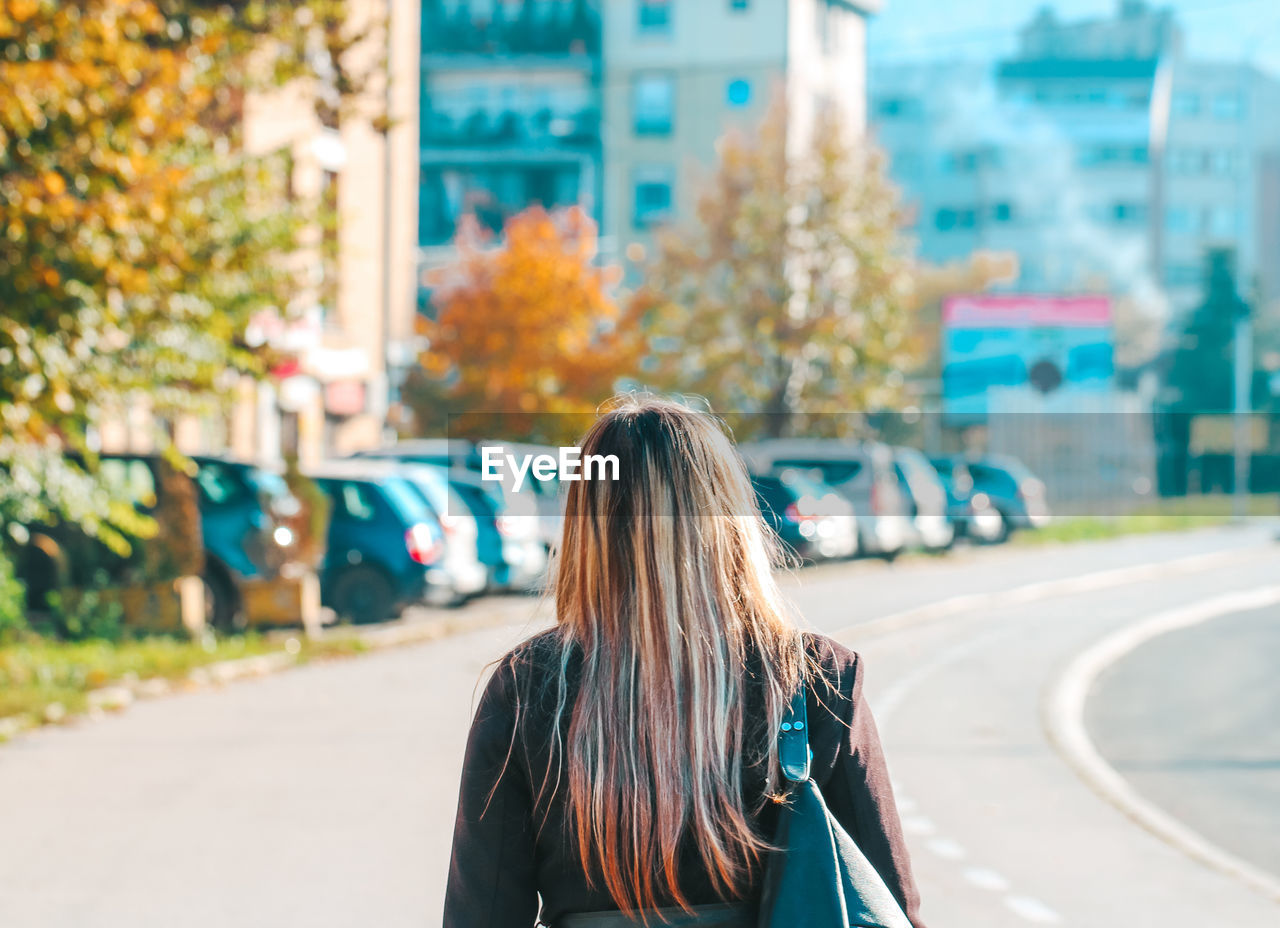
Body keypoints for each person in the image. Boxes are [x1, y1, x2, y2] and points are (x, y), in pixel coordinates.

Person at [444, 397, 926, 927]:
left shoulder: (526, 687)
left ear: (588, 524)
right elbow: (888, 906)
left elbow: (480, 914)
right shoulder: (813, 678)